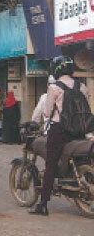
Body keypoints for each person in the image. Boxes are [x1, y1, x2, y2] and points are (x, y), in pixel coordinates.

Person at [29, 55, 91, 215]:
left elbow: (47, 112)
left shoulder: (54, 88)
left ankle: (43, 204)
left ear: (55, 70)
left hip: (60, 131)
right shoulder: (82, 86)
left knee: (50, 164)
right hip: (80, 130)